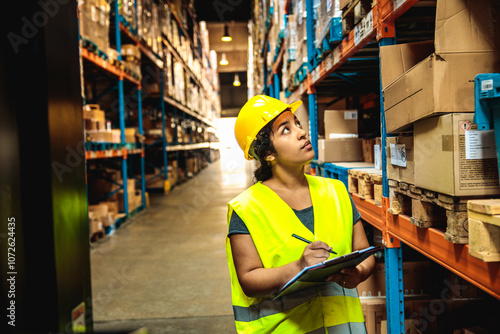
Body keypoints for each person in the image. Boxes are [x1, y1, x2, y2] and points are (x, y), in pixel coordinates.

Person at [225, 95, 376, 333]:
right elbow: (248, 280)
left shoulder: (336, 191)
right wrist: (298, 267)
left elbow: (365, 254)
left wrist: (359, 273)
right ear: (267, 154)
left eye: (298, 124)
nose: (301, 132)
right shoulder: (247, 208)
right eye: (286, 130)